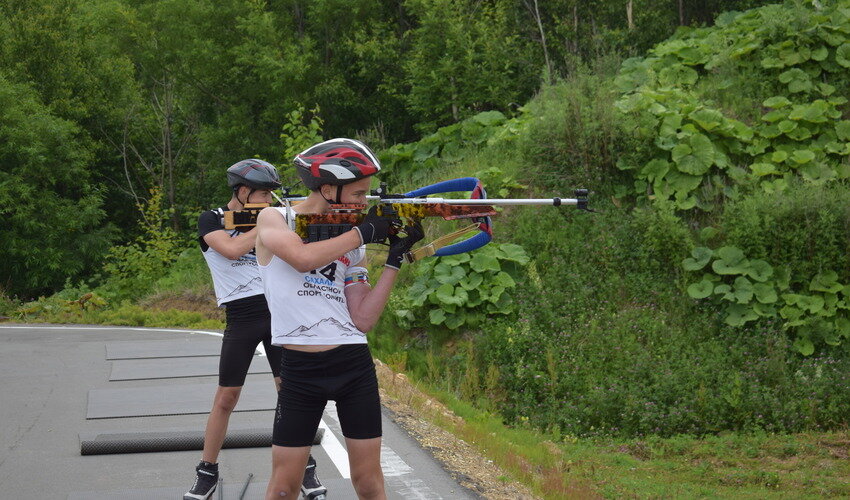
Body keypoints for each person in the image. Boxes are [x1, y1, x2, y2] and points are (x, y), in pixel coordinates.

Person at [256, 138, 423, 500]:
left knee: (368, 482)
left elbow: (362, 318)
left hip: (352, 363)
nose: (364, 203)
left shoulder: (353, 244)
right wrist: (362, 231)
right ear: (328, 188)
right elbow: (301, 258)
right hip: (299, 369)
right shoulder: (274, 218)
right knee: (283, 488)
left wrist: (395, 259)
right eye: (359, 193)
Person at [185, 159, 326, 500]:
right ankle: (207, 473)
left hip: (278, 311)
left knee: (290, 394)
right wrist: (268, 224)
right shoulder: (212, 218)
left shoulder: (277, 216)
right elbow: (231, 250)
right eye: (264, 194)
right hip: (242, 315)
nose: (269, 201)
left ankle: (304, 469)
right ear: (244, 191)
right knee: (226, 398)